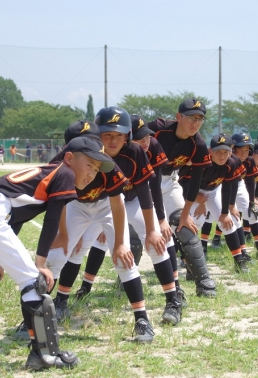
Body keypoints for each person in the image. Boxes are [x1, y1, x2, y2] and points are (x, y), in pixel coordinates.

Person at [0, 136, 115, 370]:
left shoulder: (50, 170)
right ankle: (45, 354)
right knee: (33, 283)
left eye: (97, 169)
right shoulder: (66, 173)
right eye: (89, 165)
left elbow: (14, 211)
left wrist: (0, 254)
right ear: (69, 158)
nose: (92, 173)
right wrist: (40, 263)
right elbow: (52, 221)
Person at [55, 110, 182, 326]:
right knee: (67, 251)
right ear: (97, 136)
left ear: (127, 136)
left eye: (119, 135)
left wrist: (153, 229)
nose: (113, 140)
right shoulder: (77, 155)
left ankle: (173, 300)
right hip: (79, 204)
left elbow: (143, 191)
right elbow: (59, 196)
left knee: (156, 242)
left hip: (116, 202)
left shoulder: (133, 152)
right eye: (107, 135)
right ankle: (59, 302)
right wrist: (66, 234)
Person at [41, 118, 156, 343]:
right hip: (75, 205)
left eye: (92, 142)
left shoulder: (106, 163)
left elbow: (117, 202)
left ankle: (142, 319)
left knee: (123, 259)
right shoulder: (59, 164)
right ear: (68, 151)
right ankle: (36, 316)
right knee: (56, 256)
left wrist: (121, 243)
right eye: (81, 144)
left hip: (105, 205)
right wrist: (63, 235)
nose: (89, 150)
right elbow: (58, 201)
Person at [147, 98, 217, 298]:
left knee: (185, 226)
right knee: (138, 231)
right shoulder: (158, 129)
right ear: (178, 117)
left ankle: (203, 281)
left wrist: (186, 214)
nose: (195, 123)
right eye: (190, 118)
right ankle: (123, 281)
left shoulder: (199, 144)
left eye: (200, 119)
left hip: (169, 182)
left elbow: (195, 183)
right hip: (143, 181)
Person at [182, 133, 249, 273]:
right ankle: (189, 262)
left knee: (227, 223)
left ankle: (239, 262)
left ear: (231, 151)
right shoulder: (201, 160)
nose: (222, 156)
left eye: (225, 152)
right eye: (218, 152)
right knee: (194, 223)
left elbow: (227, 188)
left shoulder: (232, 162)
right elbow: (184, 183)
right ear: (210, 151)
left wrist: (225, 212)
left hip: (213, 191)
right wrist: (198, 200)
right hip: (192, 191)